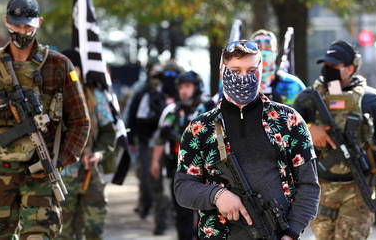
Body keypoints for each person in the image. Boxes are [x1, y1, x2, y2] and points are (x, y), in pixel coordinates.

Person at [0, 0, 90, 239]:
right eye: (16, 25)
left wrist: (58, 163)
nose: (22, 32)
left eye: (28, 26)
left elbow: (81, 122)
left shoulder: (59, 66)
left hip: (40, 174)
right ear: (6, 22)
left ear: (39, 22)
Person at [174, 40, 320, 240]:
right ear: (222, 71)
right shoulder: (199, 128)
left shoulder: (289, 120)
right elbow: (183, 188)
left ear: (262, 70)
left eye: (252, 70)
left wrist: (292, 232)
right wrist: (217, 195)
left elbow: (309, 185)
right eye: (236, 70)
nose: (244, 77)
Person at [293, 40, 376, 239]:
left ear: (351, 68)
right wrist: (309, 130)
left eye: (335, 66)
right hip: (320, 189)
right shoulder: (308, 98)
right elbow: (288, 136)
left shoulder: (372, 100)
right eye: (326, 65)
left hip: (358, 189)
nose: (329, 70)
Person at [57, 49, 117, 240]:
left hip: (91, 172)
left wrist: (98, 154)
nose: (71, 74)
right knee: (62, 232)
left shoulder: (95, 96)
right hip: (63, 175)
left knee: (94, 229)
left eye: (74, 68)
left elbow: (109, 132)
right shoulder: (53, 98)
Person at [150, 71, 213, 239]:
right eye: (181, 87)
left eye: (188, 86)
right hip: (178, 169)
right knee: (182, 213)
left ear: (196, 88)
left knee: (206, 215)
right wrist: (155, 162)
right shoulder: (172, 111)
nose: (184, 91)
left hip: (207, 170)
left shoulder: (208, 109)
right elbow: (160, 138)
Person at [126, 60, 167, 219]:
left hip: (161, 141)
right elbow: (132, 115)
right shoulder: (141, 92)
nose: (156, 79)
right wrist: (130, 139)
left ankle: (161, 216)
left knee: (158, 179)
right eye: (153, 75)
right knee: (144, 176)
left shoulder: (166, 92)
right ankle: (145, 204)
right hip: (143, 140)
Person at [250, 29, 305, 106]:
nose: (263, 52)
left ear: (275, 51)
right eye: (258, 48)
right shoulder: (240, 86)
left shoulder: (293, 85)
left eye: (268, 47)